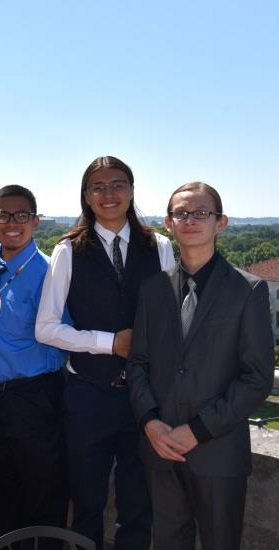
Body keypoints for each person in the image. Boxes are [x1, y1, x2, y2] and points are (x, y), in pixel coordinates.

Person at [35, 156, 175, 550]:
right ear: (86, 196)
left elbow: (168, 321)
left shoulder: (160, 247)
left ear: (131, 191)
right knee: (86, 503)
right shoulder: (68, 251)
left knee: (138, 506)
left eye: (117, 184)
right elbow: (45, 328)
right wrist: (108, 342)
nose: (108, 194)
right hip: (87, 398)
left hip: (143, 399)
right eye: (98, 186)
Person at [127, 182, 273, 550]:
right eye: (181, 213)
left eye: (201, 213)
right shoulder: (153, 289)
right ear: (168, 223)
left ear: (220, 222)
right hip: (161, 453)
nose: (190, 220)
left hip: (218, 455)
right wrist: (150, 423)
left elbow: (255, 378)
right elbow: (138, 363)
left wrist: (198, 430)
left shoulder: (248, 290)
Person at [0, 185, 68, 546]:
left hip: (34, 399)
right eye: (4, 215)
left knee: (42, 493)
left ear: (36, 222)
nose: (13, 223)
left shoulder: (51, 273)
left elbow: (64, 337)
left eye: (21, 215)